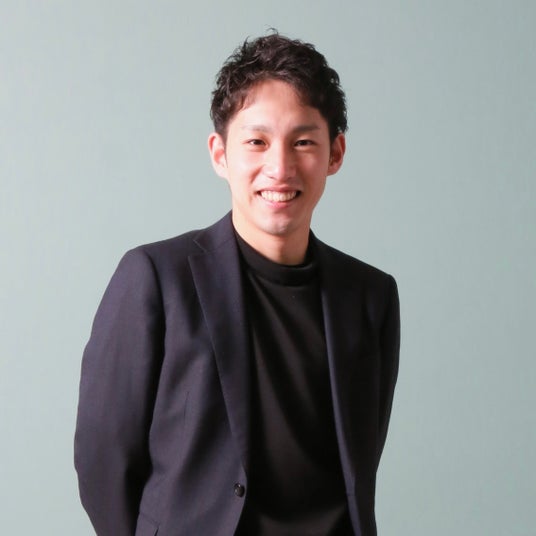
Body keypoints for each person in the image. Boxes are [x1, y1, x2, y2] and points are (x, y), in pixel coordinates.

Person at [74, 32, 400, 536]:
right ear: (220, 153)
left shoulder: (369, 296)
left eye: (303, 142)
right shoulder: (156, 278)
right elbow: (103, 458)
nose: (280, 167)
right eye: (256, 142)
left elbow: (359, 463)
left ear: (335, 153)